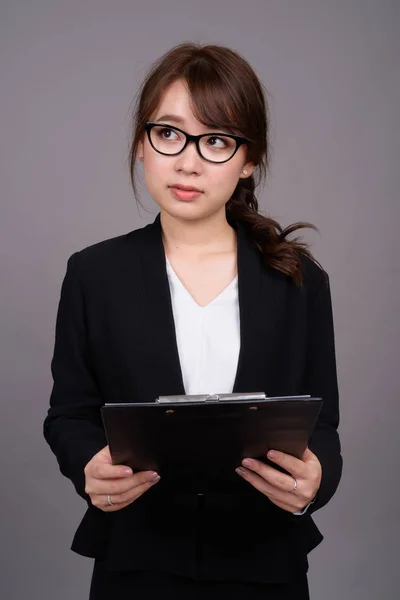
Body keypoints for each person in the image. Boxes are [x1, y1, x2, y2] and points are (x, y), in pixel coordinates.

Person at [43, 42, 343, 599]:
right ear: (141, 142)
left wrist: (316, 477)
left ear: (249, 159)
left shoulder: (299, 280)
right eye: (169, 133)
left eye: (217, 141)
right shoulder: (93, 274)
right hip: (135, 561)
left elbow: (321, 421)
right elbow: (68, 413)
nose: (188, 161)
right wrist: (88, 464)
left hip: (264, 563)